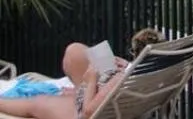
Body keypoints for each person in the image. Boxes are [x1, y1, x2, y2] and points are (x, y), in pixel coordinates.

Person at [0, 28, 158, 118]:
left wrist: (90, 81)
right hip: (120, 101)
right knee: (76, 50)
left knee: (37, 103)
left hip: (102, 112)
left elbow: (89, 112)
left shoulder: (120, 78)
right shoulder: (152, 69)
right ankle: (76, 93)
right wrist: (126, 65)